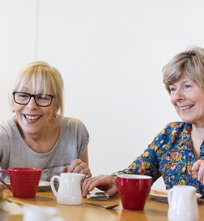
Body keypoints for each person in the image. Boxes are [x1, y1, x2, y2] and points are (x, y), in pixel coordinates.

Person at [82, 47, 204, 197]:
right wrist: (114, 180)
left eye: (187, 86)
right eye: (172, 89)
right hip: (177, 220)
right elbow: (137, 172)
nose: (176, 97)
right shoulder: (170, 135)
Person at [0, 61, 90, 181]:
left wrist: (83, 177)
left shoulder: (75, 131)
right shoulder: (0, 137)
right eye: (23, 95)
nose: (31, 106)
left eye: (42, 97)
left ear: (56, 105)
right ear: (12, 102)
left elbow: (82, 186)